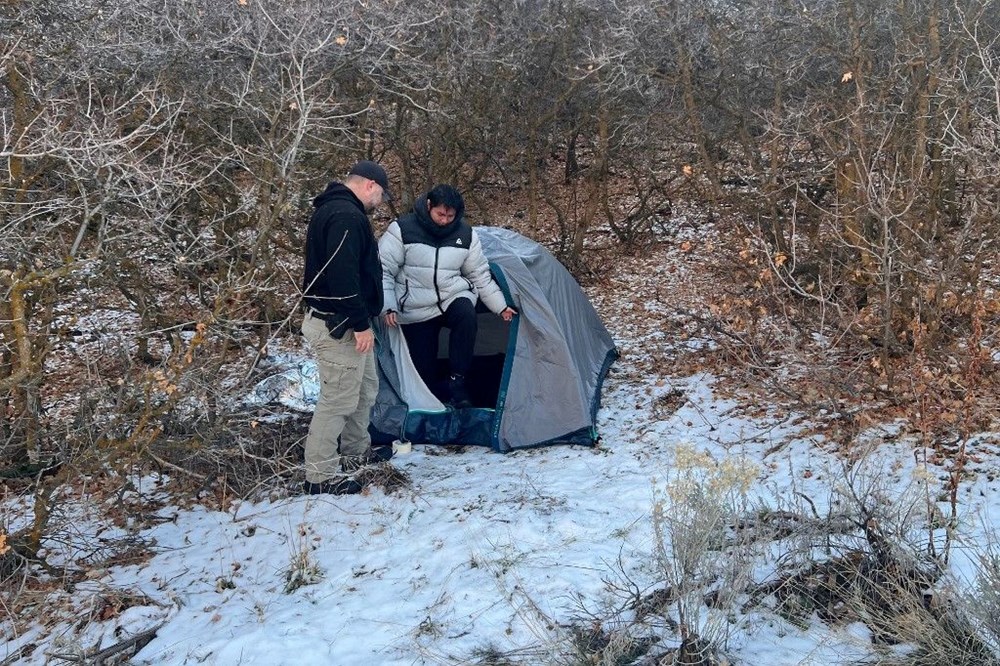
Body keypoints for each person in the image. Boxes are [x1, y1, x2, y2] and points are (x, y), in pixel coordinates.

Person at [379, 184, 516, 408]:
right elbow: (383, 269)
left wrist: (500, 306)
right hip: (415, 305)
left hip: (451, 296)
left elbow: (479, 274)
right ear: (429, 206)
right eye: (440, 214)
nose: (444, 220)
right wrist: (389, 305)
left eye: (450, 216)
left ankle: (457, 380)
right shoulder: (402, 230)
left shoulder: (465, 234)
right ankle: (433, 395)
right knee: (424, 371)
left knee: (466, 314)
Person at [300, 160, 391, 496]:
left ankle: (355, 453)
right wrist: (359, 323)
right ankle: (319, 477)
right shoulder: (346, 216)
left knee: (366, 388)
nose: (379, 202)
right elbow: (341, 277)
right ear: (369, 185)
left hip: (350, 323)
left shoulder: (339, 211)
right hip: (339, 326)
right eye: (381, 194)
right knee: (337, 400)